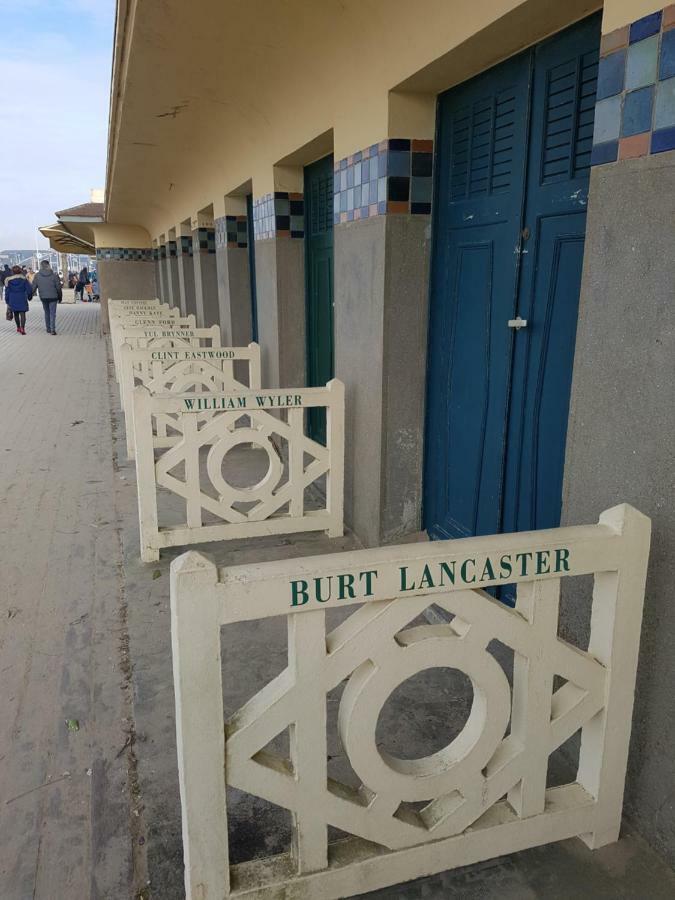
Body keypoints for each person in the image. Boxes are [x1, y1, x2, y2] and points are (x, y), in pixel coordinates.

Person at [31, 258, 63, 334]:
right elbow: (58, 287)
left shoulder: (37, 275)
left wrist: (30, 295)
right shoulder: (54, 275)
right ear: (49, 266)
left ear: (41, 266)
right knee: (52, 313)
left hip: (43, 297)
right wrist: (60, 297)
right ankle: (52, 329)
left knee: (47, 312)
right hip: (53, 297)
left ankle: (48, 328)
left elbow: (33, 287)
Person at [4, 265, 32, 334]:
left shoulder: (8, 280)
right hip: (22, 297)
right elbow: (29, 289)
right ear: (20, 271)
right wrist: (29, 297)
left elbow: (7, 291)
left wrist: (7, 300)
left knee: (16, 314)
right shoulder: (24, 279)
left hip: (13, 298)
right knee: (23, 314)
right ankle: (23, 328)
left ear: (12, 272)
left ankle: (18, 327)